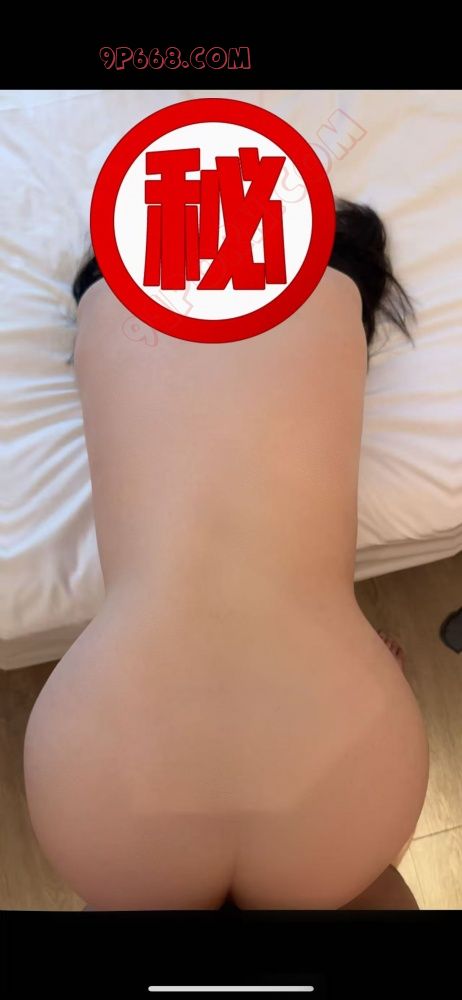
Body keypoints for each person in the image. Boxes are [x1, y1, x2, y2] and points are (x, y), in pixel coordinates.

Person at [23, 199, 429, 911]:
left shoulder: (113, 294)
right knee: (361, 886)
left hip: (109, 776)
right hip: (329, 770)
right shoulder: (328, 287)